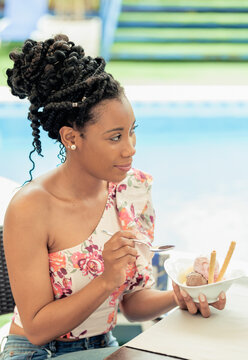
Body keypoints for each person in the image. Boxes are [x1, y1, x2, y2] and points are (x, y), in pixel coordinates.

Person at [1, 34, 226, 360]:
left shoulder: (133, 190)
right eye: (115, 137)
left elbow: (133, 305)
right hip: (37, 352)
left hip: (104, 346)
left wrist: (184, 294)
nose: (130, 148)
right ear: (71, 137)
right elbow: (36, 328)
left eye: (133, 130)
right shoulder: (31, 207)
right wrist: (106, 279)